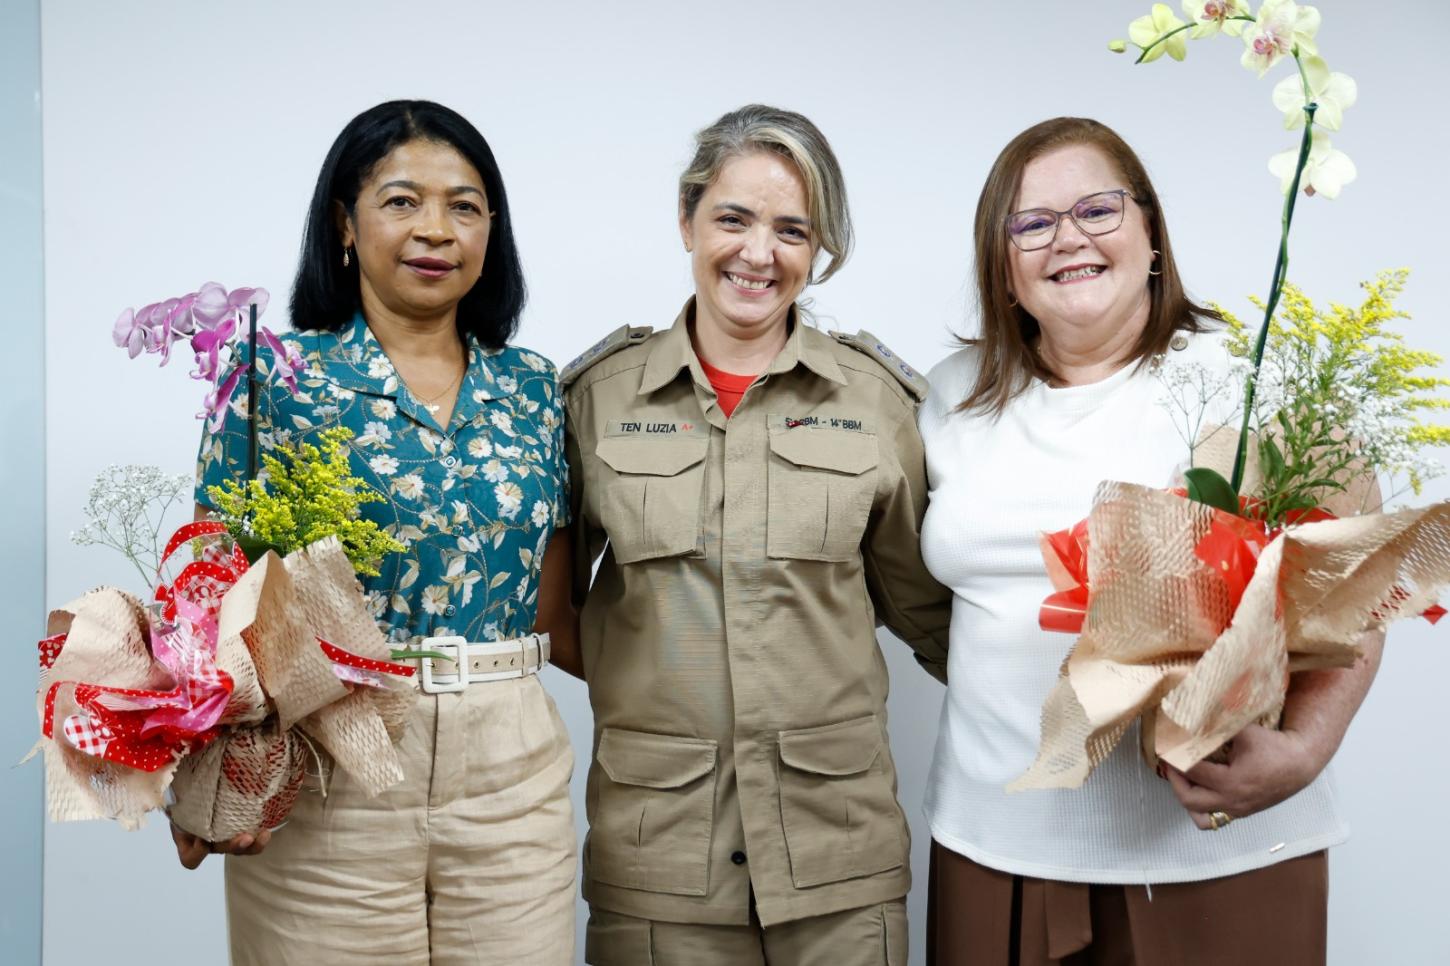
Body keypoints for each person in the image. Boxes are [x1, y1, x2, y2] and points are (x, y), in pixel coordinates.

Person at [917, 116, 1383, 965]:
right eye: (1031, 223)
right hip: (996, 842)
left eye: (1097, 209)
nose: (1069, 239)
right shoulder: (949, 397)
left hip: (1215, 850)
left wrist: (1304, 751)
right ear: (1002, 265)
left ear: (1151, 232)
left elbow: (1355, 597)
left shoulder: (1251, 379)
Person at [180, 99, 579, 966]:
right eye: (402, 201)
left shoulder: (536, 389)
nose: (435, 228)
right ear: (345, 224)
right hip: (333, 766)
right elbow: (212, 586)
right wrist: (208, 761)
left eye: (464, 205)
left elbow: (557, 588)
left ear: (491, 231)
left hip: (513, 768)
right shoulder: (273, 377)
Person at [562, 103, 952, 966]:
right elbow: (554, 610)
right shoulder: (597, 398)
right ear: (687, 218)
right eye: (732, 218)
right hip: (659, 858)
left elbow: (931, 616)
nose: (758, 253)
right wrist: (663, 682)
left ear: (818, 249)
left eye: (792, 230)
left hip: (838, 861)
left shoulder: (876, 401)